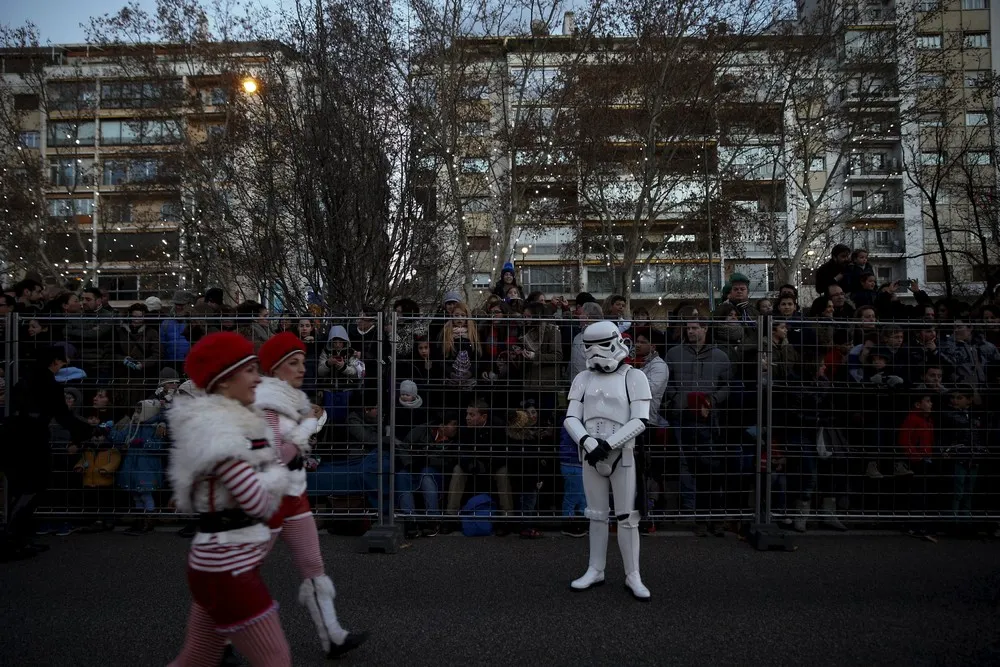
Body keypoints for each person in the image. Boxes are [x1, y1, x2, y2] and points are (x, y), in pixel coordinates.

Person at [166, 332, 295, 666]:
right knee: (276, 660)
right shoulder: (222, 434)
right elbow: (257, 503)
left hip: (215, 561)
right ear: (224, 381)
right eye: (249, 370)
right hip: (227, 566)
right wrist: (276, 472)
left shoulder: (221, 424)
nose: (258, 378)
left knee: (197, 658)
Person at [254, 333, 367, 659]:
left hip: (294, 493)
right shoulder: (266, 402)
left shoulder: (292, 399)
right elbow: (277, 454)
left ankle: (332, 635)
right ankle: (219, 642)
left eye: (303, 361)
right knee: (243, 571)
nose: (302, 368)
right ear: (275, 368)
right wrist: (309, 426)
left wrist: (310, 424)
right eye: (293, 363)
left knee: (313, 564)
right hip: (270, 498)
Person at [564, 320, 652, 601]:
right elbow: (571, 417)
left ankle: (632, 574)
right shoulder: (582, 379)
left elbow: (640, 419)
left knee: (627, 518)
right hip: (591, 455)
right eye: (589, 346)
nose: (595, 352)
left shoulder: (634, 377)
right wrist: (588, 442)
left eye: (601, 345)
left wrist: (608, 444)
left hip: (622, 455)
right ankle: (595, 569)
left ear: (617, 342)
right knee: (596, 515)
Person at [1, 346, 94, 561]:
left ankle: (18, 539)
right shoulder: (48, 384)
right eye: (62, 362)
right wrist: (87, 431)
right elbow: (62, 415)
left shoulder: (25, 380)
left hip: (13, 437)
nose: (63, 366)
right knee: (32, 488)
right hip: (30, 440)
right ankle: (12, 540)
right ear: (55, 362)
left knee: (21, 489)